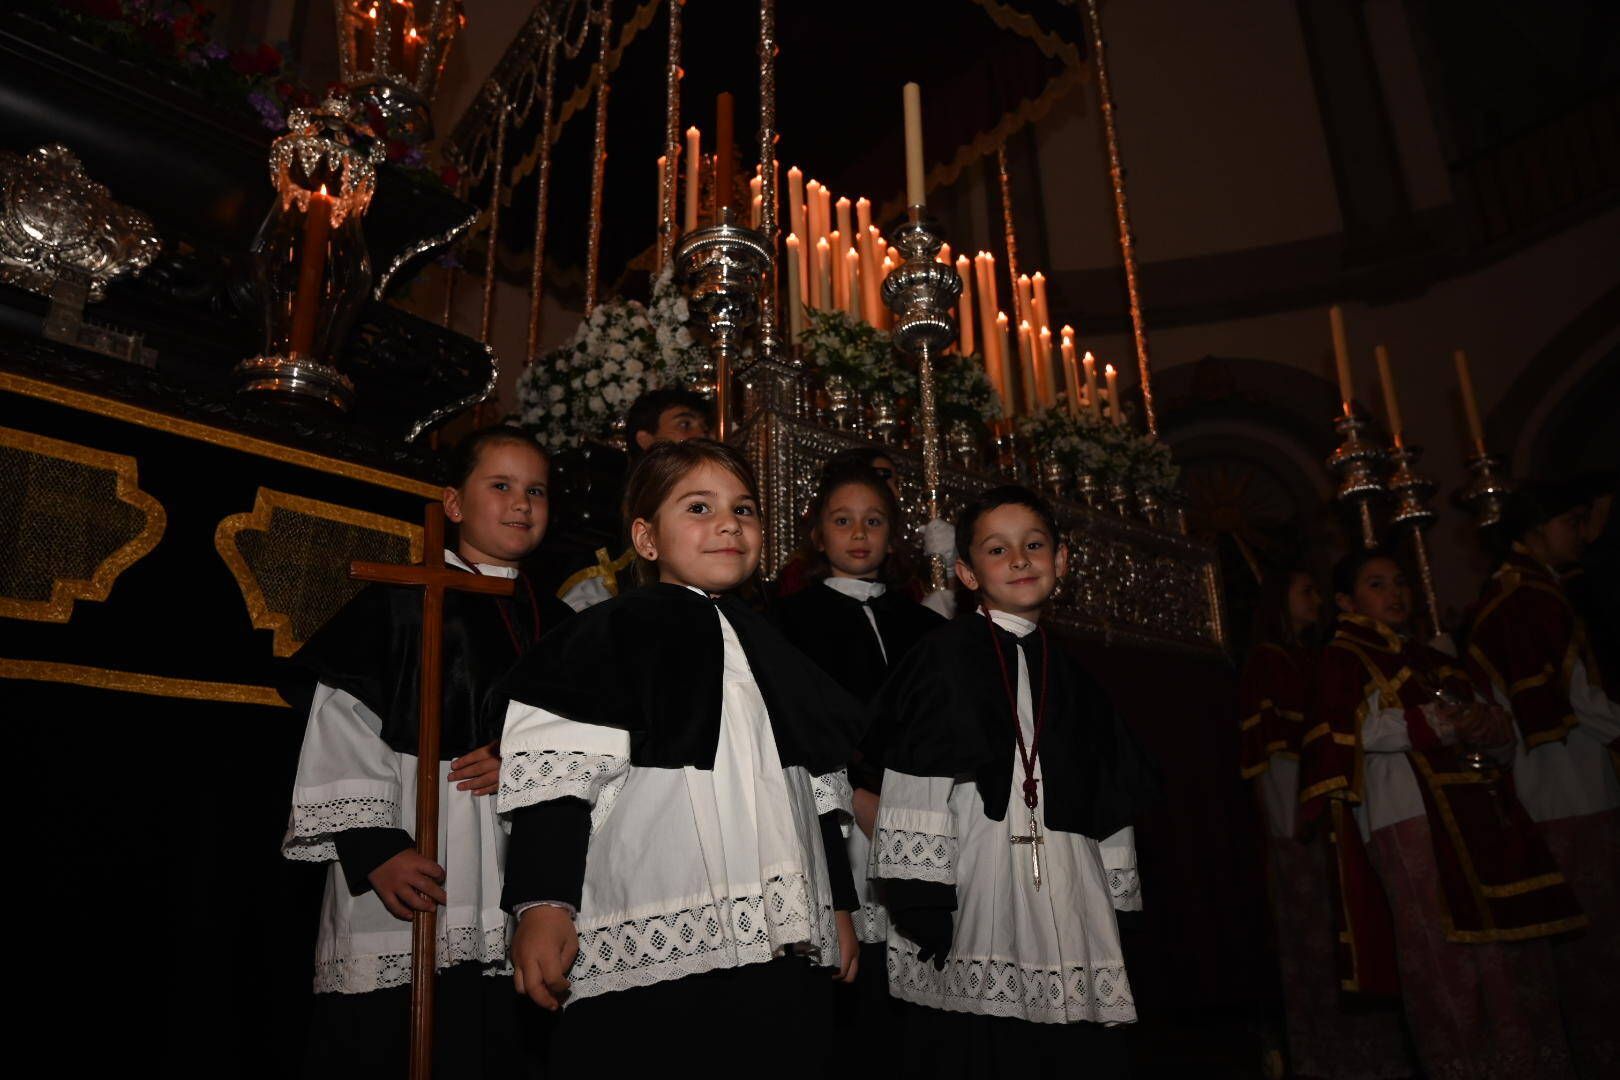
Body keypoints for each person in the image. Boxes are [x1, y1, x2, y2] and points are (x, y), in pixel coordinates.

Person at [496, 439, 865, 1069]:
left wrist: (838, 907)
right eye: (699, 507)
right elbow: (557, 781)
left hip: (783, 935)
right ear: (646, 538)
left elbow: (816, 787)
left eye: (744, 509)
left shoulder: (776, 648)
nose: (729, 523)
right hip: (659, 913)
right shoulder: (608, 633)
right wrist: (543, 903)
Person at [283, 427, 573, 1078]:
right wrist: (374, 847)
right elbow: (342, 721)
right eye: (500, 486)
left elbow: (599, 743)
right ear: (454, 502)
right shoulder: (402, 601)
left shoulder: (563, 626)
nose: (521, 503)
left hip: (519, 859)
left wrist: (526, 759)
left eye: (536, 491)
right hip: (416, 849)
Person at [867, 484, 1159, 1076]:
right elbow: (914, 773)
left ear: (1062, 560)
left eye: (1033, 545)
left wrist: (1118, 891)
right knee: (983, 1042)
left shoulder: (1076, 675)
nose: (1020, 560)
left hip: (1068, 869)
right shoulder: (942, 656)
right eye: (997, 551)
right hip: (977, 863)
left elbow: (1107, 792)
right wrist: (920, 892)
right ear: (967, 574)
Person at [1301, 548, 1583, 1080]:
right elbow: (1347, 733)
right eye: (1377, 584)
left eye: (1400, 582)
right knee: (1443, 957)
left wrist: (1492, 730)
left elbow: (1494, 734)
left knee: (1505, 952)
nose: (1396, 594)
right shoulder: (1344, 656)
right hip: (1406, 815)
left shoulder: (1438, 658)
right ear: (1345, 601)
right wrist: (1435, 722)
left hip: (1478, 812)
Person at [771, 460, 945, 1062]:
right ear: (818, 534)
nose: (859, 533)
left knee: (921, 961)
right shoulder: (788, 621)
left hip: (920, 808)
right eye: (842, 520)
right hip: (841, 811)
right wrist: (854, 793)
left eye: (873, 521)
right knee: (854, 967)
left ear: (892, 534)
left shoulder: (924, 626)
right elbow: (794, 722)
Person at [1468, 484, 1620, 1077]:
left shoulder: (1521, 592)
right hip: (1569, 784)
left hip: (1558, 781)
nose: (1580, 533)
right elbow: (1577, 700)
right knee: (1595, 939)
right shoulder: (1530, 598)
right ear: (1532, 530)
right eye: (1572, 521)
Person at [1239, 565, 1413, 1080]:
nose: (1316, 600)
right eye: (1305, 590)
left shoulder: (1313, 658)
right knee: (1315, 944)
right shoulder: (1268, 665)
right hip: (1304, 832)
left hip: (1336, 823)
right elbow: (1274, 761)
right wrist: (1297, 830)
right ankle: (1329, 1060)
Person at [556, 386, 712, 611]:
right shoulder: (606, 566)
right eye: (685, 424)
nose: (702, 435)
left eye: (705, 428)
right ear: (646, 439)